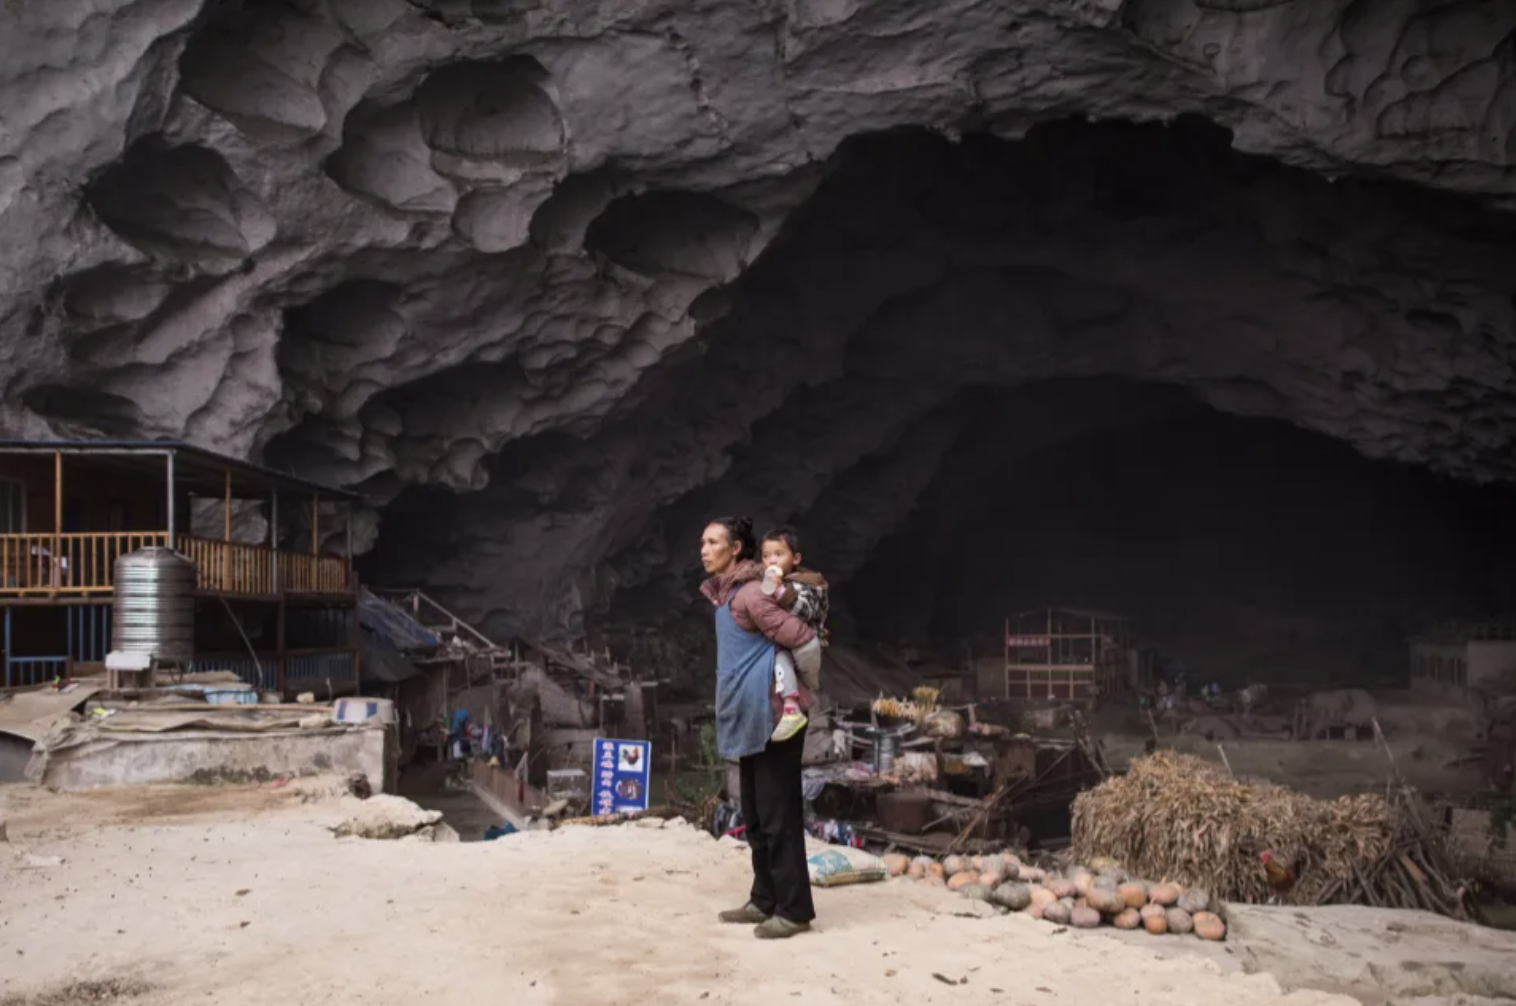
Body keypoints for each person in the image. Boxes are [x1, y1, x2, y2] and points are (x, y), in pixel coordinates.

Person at [699, 515, 820, 940]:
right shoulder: (725, 596)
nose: (704, 549)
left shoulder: (751, 594)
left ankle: (794, 909)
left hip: (775, 720)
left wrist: (808, 689)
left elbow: (803, 638)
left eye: (713, 542)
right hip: (750, 718)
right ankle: (763, 898)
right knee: (754, 813)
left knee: (777, 814)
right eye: (703, 542)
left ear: (736, 549)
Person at [758, 525, 829, 743]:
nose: (771, 561)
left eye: (778, 554)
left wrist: (780, 591)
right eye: (766, 556)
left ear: (795, 558)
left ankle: (791, 707)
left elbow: (806, 611)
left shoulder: (808, 583)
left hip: (804, 644)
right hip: (785, 641)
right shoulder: (767, 581)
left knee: (779, 655)